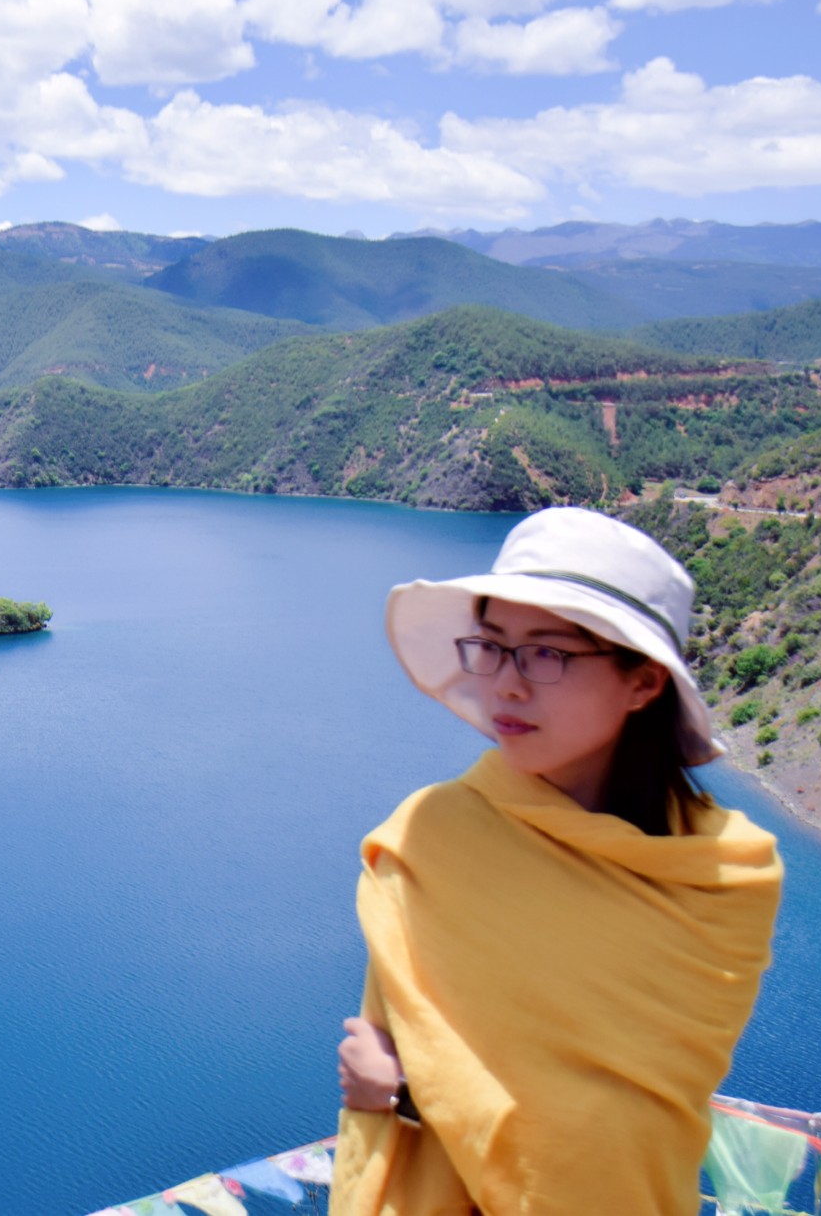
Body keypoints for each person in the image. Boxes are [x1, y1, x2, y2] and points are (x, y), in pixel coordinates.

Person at [329, 507, 784, 1216]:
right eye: (492, 646)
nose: (505, 685)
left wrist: (405, 1095)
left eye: (547, 654)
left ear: (643, 682)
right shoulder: (433, 838)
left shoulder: (727, 876)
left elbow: (626, 1128)